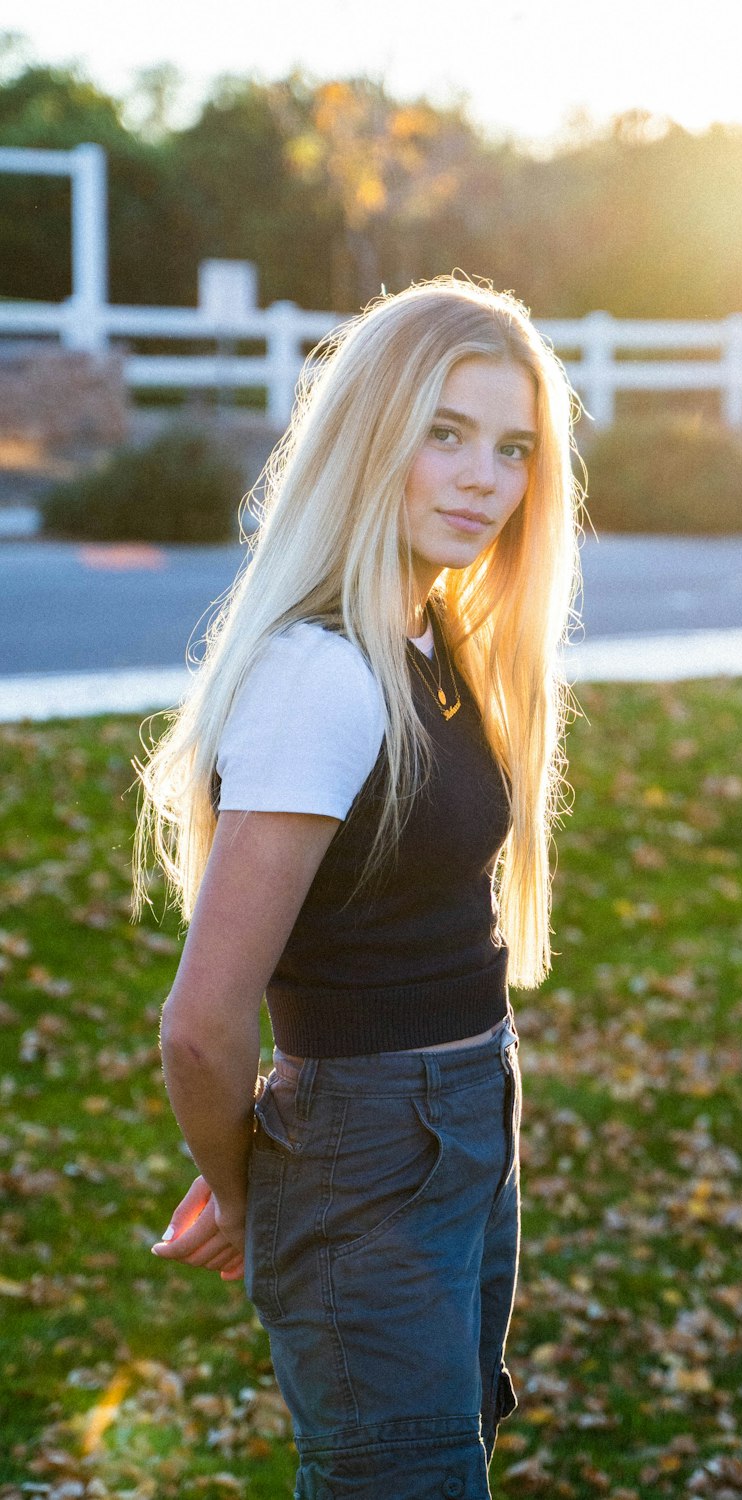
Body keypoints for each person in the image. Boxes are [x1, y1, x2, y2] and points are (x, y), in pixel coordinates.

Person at [131, 275, 583, 1499]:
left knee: (441, 1460)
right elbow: (200, 1023)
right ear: (367, 435)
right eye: (444, 434)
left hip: (461, 1118)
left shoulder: (427, 637)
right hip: (377, 1141)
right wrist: (254, 1188)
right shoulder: (320, 677)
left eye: (511, 448)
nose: (485, 478)